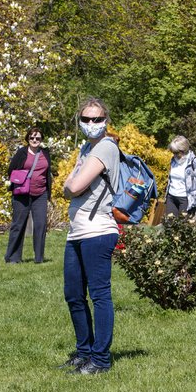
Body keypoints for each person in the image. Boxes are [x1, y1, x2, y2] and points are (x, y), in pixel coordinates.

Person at [59, 98, 121, 375]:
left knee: (99, 296)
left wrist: (72, 184)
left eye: (97, 119)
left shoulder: (106, 147)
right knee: (73, 295)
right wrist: (71, 185)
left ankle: (101, 360)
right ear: (79, 121)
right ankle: (84, 353)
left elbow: (75, 185)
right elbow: (66, 187)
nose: (92, 124)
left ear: (106, 121)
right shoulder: (86, 148)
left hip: (98, 232)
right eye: (86, 119)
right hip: (77, 232)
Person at [5, 127, 52, 264]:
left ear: (41, 139)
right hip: (22, 194)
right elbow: (11, 170)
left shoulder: (45, 153)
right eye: (32, 137)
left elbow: (47, 172)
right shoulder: (22, 153)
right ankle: (13, 257)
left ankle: (39, 258)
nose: (35, 140)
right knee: (18, 225)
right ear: (28, 139)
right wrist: (21, 182)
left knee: (41, 224)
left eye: (37, 138)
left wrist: (48, 191)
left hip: (41, 194)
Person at [164, 135, 196, 218]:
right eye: (173, 152)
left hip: (186, 199)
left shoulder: (195, 162)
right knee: (169, 224)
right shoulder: (173, 160)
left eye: (176, 152)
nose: (174, 154)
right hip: (171, 197)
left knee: (184, 226)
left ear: (183, 150)